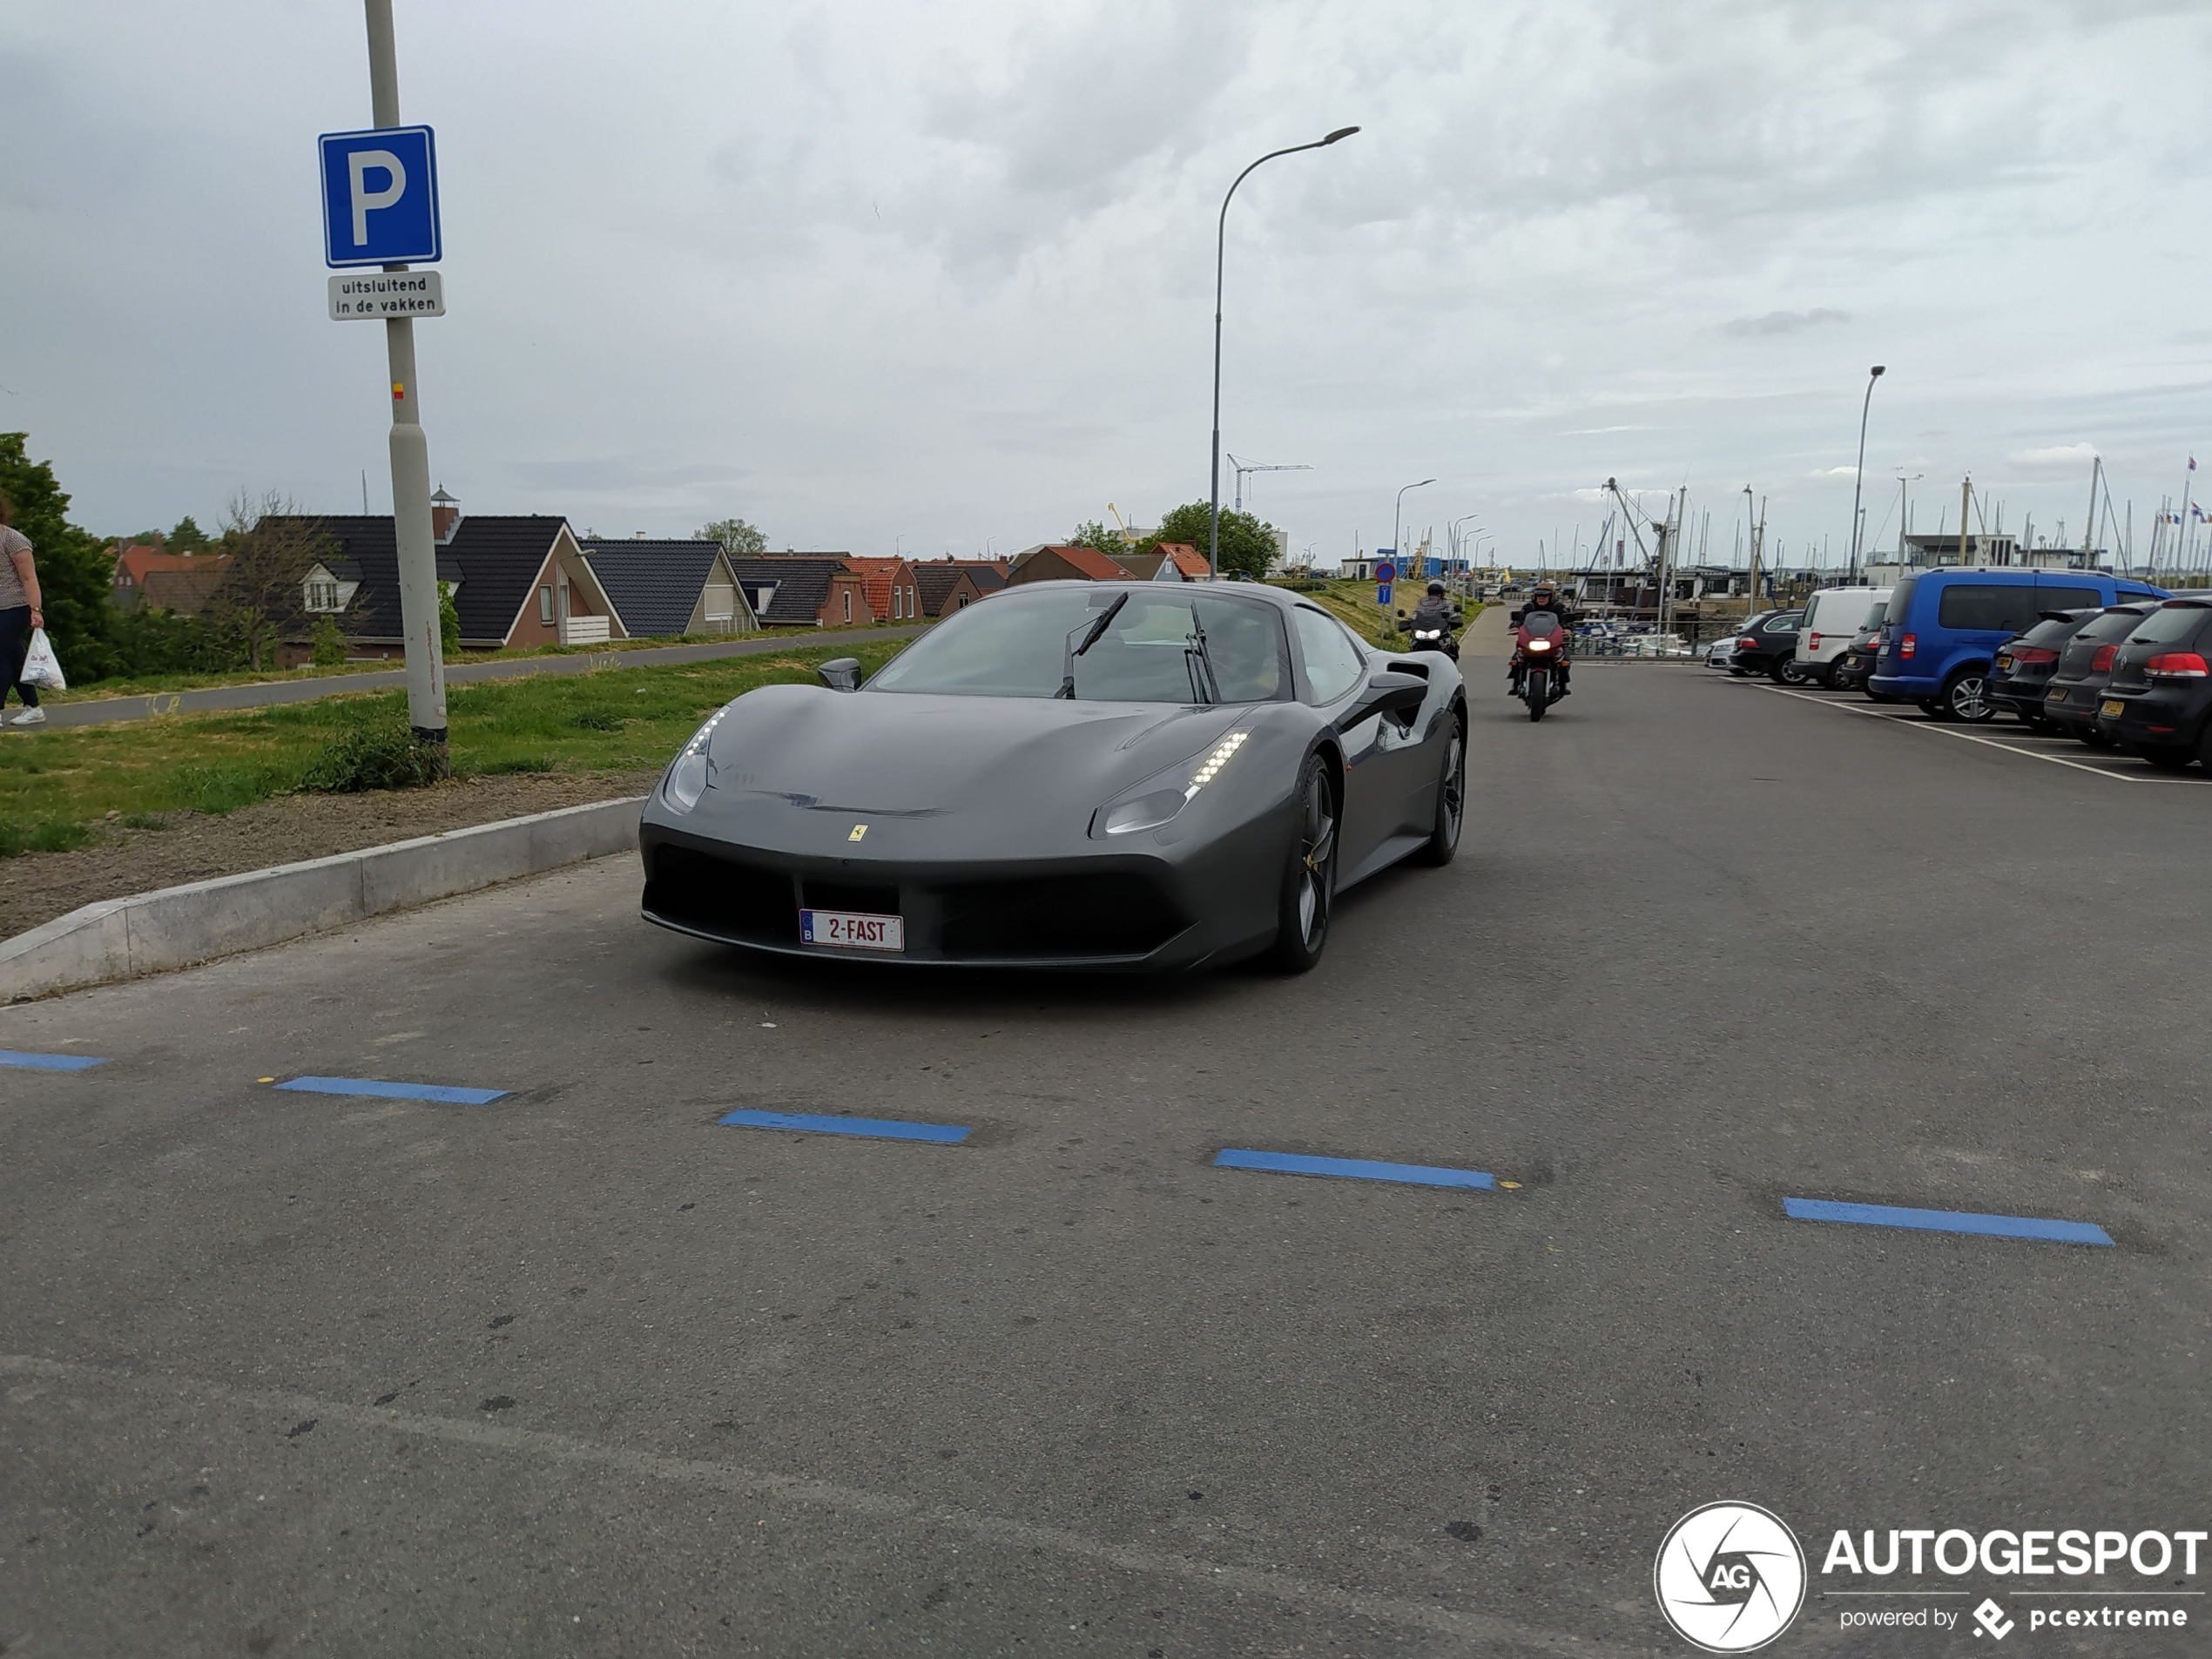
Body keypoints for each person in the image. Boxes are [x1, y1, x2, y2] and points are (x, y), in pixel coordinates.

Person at [0, 491, 46, 728]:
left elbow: (29, 578)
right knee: (16, 659)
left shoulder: (13, 540)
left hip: (15, 607)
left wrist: (35, 610)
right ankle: (33, 707)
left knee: (1, 656)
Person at [1510, 581, 1575, 696]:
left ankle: (1562, 685)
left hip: (1551, 639)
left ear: (1551, 596)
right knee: (1516, 658)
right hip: (1532, 639)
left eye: (1545, 596)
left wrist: (1567, 628)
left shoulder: (1558, 607)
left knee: (1565, 659)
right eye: (1539, 595)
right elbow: (1520, 619)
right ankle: (1516, 684)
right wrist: (1515, 627)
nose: (1541, 598)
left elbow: (1565, 619)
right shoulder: (1529, 607)